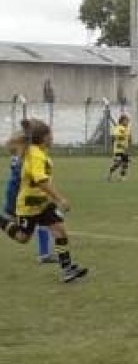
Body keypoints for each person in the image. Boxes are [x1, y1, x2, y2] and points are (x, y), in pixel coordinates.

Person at [0, 119, 88, 282]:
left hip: (43, 203)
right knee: (23, 238)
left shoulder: (38, 150)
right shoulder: (35, 155)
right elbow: (41, 181)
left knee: (59, 230)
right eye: (50, 135)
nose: (53, 138)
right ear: (44, 137)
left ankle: (67, 269)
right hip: (29, 204)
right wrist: (59, 198)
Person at [4, 130, 55, 263]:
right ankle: (44, 254)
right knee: (23, 236)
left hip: (25, 195)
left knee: (45, 218)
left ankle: (44, 254)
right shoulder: (25, 157)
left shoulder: (23, 155)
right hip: (19, 196)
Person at [106, 114, 132, 182]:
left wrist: (128, 147)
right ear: (122, 121)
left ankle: (122, 177)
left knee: (125, 164)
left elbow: (128, 139)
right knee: (118, 163)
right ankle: (109, 174)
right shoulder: (119, 128)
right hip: (119, 149)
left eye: (128, 121)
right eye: (126, 120)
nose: (127, 122)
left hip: (125, 150)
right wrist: (121, 145)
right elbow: (116, 138)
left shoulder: (127, 129)